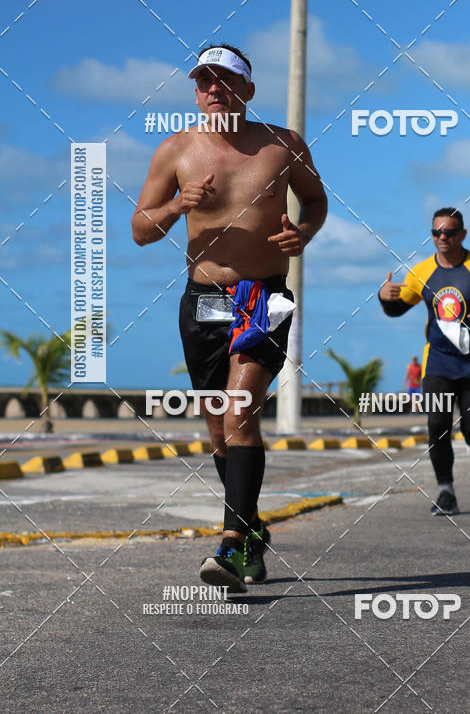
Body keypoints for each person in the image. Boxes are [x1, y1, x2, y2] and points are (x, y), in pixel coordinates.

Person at [132, 44, 327, 591]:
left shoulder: (283, 144)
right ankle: (252, 526)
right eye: (204, 81)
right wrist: (178, 205)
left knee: (241, 411)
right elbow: (141, 229)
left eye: (225, 80)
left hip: (265, 296)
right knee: (219, 426)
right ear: (196, 92)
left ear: (248, 90)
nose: (213, 89)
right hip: (203, 301)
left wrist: (303, 233)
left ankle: (232, 544)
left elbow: (315, 201)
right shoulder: (175, 150)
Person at [379, 208, 470, 516]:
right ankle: (446, 491)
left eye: (449, 232)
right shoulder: (421, 272)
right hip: (438, 364)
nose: (442, 237)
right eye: (436, 232)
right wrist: (384, 296)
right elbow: (396, 309)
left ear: (462, 234)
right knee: (437, 425)